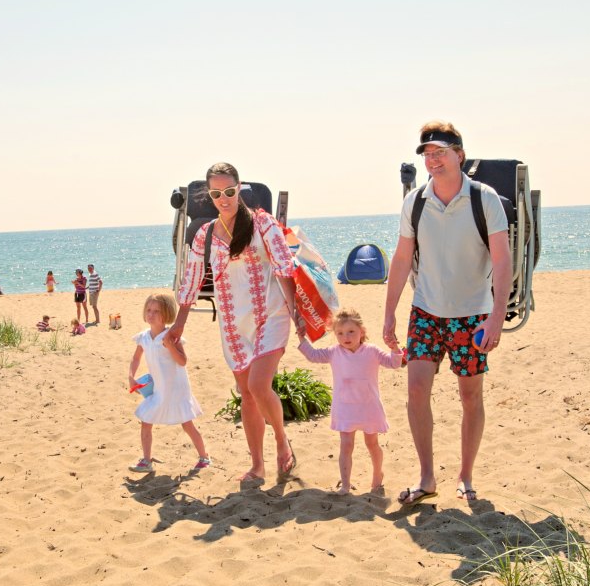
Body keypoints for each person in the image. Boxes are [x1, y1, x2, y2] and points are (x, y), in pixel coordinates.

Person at [383, 121, 511, 505]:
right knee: (416, 390)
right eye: (426, 154)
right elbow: (403, 258)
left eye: (440, 152)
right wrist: (389, 313)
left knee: (470, 397)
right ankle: (426, 476)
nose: (433, 160)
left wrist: (496, 317)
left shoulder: (484, 199)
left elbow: (503, 260)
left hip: (472, 314)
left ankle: (466, 476)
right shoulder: (416, 202)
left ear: (459, 154)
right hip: (425, 311)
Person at [168, 161, 302, 483]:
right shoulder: (205, 234)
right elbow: (192, 279)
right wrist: (179, 324)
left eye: (229, 191)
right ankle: (258, 464)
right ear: (209, 196)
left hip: (270, 314)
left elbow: (284, 269)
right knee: (246, 392)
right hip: (232, 323)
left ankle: (281, 442)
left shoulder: (262, 223)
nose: (223, 199)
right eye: (216, 194)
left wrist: (296, 315)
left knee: (258, 385)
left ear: (239, 188)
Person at [298, 309, 404, 495]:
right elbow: (313, 356)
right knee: (346, 445)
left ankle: (377, 474)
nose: (345, 337)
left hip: (368, 407)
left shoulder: (371, 351)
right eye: (340, 333)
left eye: (351, 332)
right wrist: (301, 338)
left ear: (361, 331)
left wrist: (395, 349)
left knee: (372, 444)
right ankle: (346, 484)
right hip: (345, 408)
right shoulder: (334, 352)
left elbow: (394, 363)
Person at [128, 293, 210, 473]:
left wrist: (170, 345)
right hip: (158, 389)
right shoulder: (143, 337)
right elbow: (136, 358)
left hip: (177, 390)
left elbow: (182, 361)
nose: (151, 314)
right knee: (146, 419)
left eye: (156, 311)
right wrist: (131, 375)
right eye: (149, 310)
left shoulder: (171, 336)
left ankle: (204, 457)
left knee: (187, 424)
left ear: (166, 314)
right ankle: (146, 461)